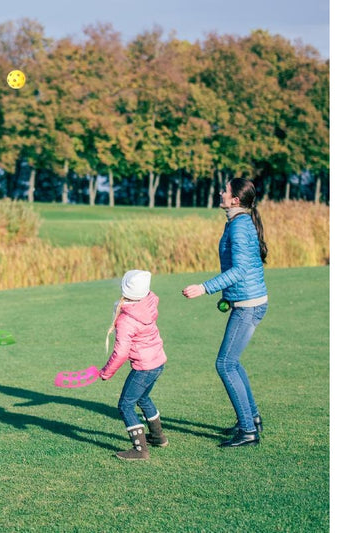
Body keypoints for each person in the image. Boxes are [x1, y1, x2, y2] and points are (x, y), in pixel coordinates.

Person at [182, 178, 269, 448]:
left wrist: (204, 288)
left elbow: (240, 270)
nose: (221, 192)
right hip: (245, 301)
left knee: (225, 364)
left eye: (225, 190)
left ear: (235, 200)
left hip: (249, 305)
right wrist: (227, 296)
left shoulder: (240, 225)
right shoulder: (237, 221)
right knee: (232, 362)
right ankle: (252, 419)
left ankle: (248, 432)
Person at [100, 270, 168, 460]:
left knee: (125, 405)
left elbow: (121, 352)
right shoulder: (149, 302)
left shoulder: (126, 320)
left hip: (144, 368)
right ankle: (158, 437)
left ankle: (140, 450)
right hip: (158, 362)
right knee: (143, 398)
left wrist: (106, 372)